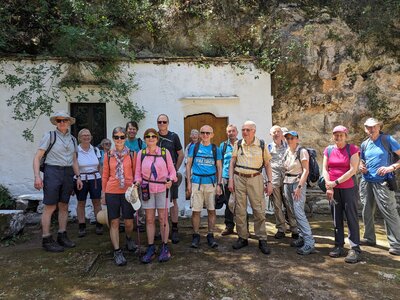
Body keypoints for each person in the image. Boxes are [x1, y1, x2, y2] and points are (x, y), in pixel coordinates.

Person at [33, 111, 82, 252]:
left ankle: (62, 234)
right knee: (49, 206)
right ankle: (46, 238)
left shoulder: (73, 139)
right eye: (59, 120)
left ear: (69, 122)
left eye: (64, 120)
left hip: (67, 173)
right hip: (52, 171)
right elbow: (37, 157)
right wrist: (37, 176)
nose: (62, 123)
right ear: (56, 122)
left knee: (64, 205)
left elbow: (74, 160)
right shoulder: (49, 136)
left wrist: (78, 176)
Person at [228, 120, 273, 255]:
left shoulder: (261, 144)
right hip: (239, 178)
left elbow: (267, 164)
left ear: (254, 131)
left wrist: (269, 182)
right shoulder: (238, 144)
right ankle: (242, 237)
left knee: (258, 209)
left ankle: (262, 239)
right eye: (243, 130)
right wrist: (231, 180)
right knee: (239, 209)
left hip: (256, 178)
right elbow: (232, 163)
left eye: (248, 130)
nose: (245, 132)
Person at [134, 128, 177, 263]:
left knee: (164, 219)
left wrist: (171, 179)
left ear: (157, 139)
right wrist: (136, 183)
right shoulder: (141, 153)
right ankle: (151, 247)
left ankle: (165, 246)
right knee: (150, 219)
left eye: (153, 136)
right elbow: (138, 173)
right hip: (147, 189)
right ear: (145, 139)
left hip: (163, 188)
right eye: (148, 136)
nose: (151, 138)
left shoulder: (165, 152)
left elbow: (172, 171)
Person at [359, 117, 400, 256]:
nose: (371, 130)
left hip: (383, 181)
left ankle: (397, 244)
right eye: (368, 127)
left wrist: (391, 168)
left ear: (379, 127)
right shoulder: (364, 144)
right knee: (366, 210)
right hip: (366, 181)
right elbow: (362, 160)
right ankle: (369, 238)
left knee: (389, 211)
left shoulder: (387, 140)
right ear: (365, 129)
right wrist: (361, 166)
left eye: (374, 127)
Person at [322, 125, 361, 263]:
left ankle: (355, 248)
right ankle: (338, 246)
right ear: (333, 136)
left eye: (341, 135)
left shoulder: (353, 149)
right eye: (336, 135)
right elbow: (325, 169)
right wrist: (329, 184)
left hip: (348, 188)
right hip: (333, 188)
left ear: (346, 136)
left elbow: (353, 170)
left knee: (351, 217)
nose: (338, 137)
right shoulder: (328, 150)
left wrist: (335, 182)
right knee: (336, 217)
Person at [102, 127, 137, 266]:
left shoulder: (132, 154)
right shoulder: (108, 155)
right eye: (116, 137)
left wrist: (136, 188)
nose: (119, 140)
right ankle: (117, 251)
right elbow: (105, 175)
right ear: (113, 138)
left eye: (122, 137)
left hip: (128, 191)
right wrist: (103, 194)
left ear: (126, 137)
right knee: (114, 222)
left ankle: (128, 238)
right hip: (112, 190)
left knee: (129, 222)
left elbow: (135, 173)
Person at [186, 125, 222, 248]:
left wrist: (219, 184)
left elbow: (219, 167)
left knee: (211, 210)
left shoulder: (215, 149)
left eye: (208, 133)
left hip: (211, 183)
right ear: (200, 134)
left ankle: (210, 235)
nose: (205, 135)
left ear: (212, 135)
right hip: (196, 182)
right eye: (203, 133)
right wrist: (189, 183)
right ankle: (196, 235)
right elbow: (188, 164)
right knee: (196, 211)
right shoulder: (194, 147)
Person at [283, 131, 315, 255]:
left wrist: (300, 187)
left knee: (299, 212)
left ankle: (309, 243)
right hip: (287, 182)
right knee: (293, 212)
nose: (289, 140)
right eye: (287, 138)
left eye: (292, 138)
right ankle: (302, 238)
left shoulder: (302, 151)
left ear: (297, 139)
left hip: (297, 183)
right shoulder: (287, 152)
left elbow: (306, 170)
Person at [157, 114, 184, 244]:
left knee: (173, 200)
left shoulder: (174, 136)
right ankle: (162, 228)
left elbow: (181, 154)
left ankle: (174, 229)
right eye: (159, 122)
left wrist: (175, 169)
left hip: (170, 175)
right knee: (160, 202)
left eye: (164, 122)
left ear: (168, 123)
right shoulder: (153, 137)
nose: (162, 124)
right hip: (156, 177)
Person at [268, 125, 298, 240]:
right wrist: (267, 182)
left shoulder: (288, 146)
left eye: (278, 132)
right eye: (274, 132)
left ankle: (294, 228)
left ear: (282, 134)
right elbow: (266, 165)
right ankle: (281, 228)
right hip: (274, 179)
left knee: (289, 204)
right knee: (277, 205)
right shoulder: (268, 147)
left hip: (287, 179)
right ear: (271, 134)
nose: (276, 134)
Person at [74, 128, 103, 237]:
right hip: (81, 179)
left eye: (88, 135)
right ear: (79, 138)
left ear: (91, 137)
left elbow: (100, 166)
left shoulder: (95, 150)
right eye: (84, 135)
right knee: (81, 202)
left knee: (97, 202)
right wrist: (77, 177)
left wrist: (102, 179)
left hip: (95, 178)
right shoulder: (76, 150)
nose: (86, 137)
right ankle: (82, 226)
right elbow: (74, 164)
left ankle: (99, 224)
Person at [125, 121, 146, 232]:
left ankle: (140, 222)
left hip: (139, 175)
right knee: (127, 199)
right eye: (130, 129)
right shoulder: (123, 142)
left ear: (137, 130)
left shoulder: (140, 143)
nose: (132, 131)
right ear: (126, 130)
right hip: (126, 175)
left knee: (139, 199)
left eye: (134, 129)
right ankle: (127, 221)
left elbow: (146, 157)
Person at [220, 124, 239, 236]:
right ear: (227, 133)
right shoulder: (223, 146)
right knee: (228, 203)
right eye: (229, 131)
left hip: (240, 177)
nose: (231, 133)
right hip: (226, 177)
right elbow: (220, 162)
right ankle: (229, 226)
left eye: (233, 131)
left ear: (236, 132)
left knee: (241, 203)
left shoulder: (242, 144)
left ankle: (243, 228)